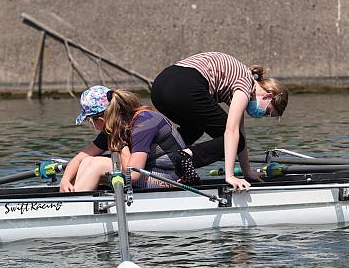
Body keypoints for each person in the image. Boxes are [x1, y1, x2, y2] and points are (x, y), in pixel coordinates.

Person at [151, 52, 289, 191]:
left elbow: (240, 132)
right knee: (234, 138)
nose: (262, 116)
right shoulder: (247, 83)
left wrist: (247, 172)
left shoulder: (241, 81)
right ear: (268, 96)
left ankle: (155, 156)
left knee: (195, 128)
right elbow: (231, 132)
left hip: (159, 87)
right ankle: (184, 156)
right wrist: (230, 176)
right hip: (185, 85)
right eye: (267, 112)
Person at [59, 86, 193, 192]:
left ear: (100, 120)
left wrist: (119, 144)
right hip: (146, 172)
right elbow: (79, 158)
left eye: (89, 121)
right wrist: (65, 180)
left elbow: (132, 174)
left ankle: (74, 207)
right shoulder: (115, 127)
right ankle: (73, 196)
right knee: (88, 160)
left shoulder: (144, 123)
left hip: (170, 179)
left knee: (97, 164)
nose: (90, 125)